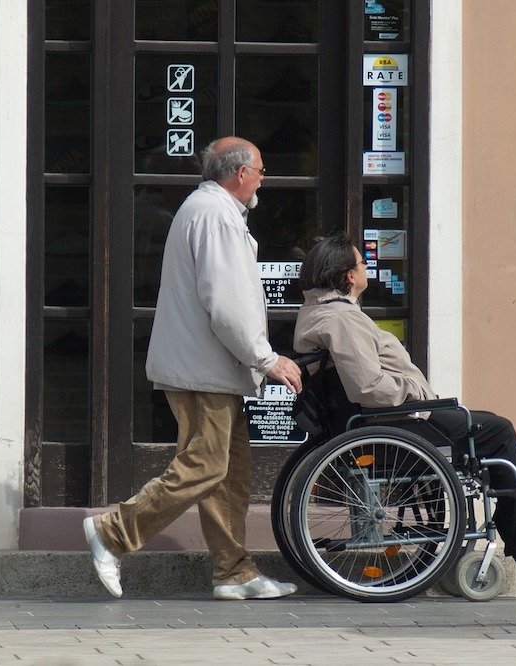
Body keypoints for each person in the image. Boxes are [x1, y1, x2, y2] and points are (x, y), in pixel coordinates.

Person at [83, 137, 304, 600]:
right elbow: (227, 304)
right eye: (261, 171)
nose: (264, 179)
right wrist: (267, 358)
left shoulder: (210, 211)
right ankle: (112, 532)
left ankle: (234, 572)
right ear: (239, 173)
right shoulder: (216, 215)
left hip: (209, 368)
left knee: (229, 473)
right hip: (204, 370)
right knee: (205, 466)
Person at [292, 233, 516, 562]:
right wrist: (418, 393)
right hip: (395, 422)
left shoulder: (321, 313)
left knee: (485, 425)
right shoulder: (343, 319)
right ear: (349, 275)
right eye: (363, 263)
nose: (366, 269)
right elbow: (368, 388)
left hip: (386, 421)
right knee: (498, 430)